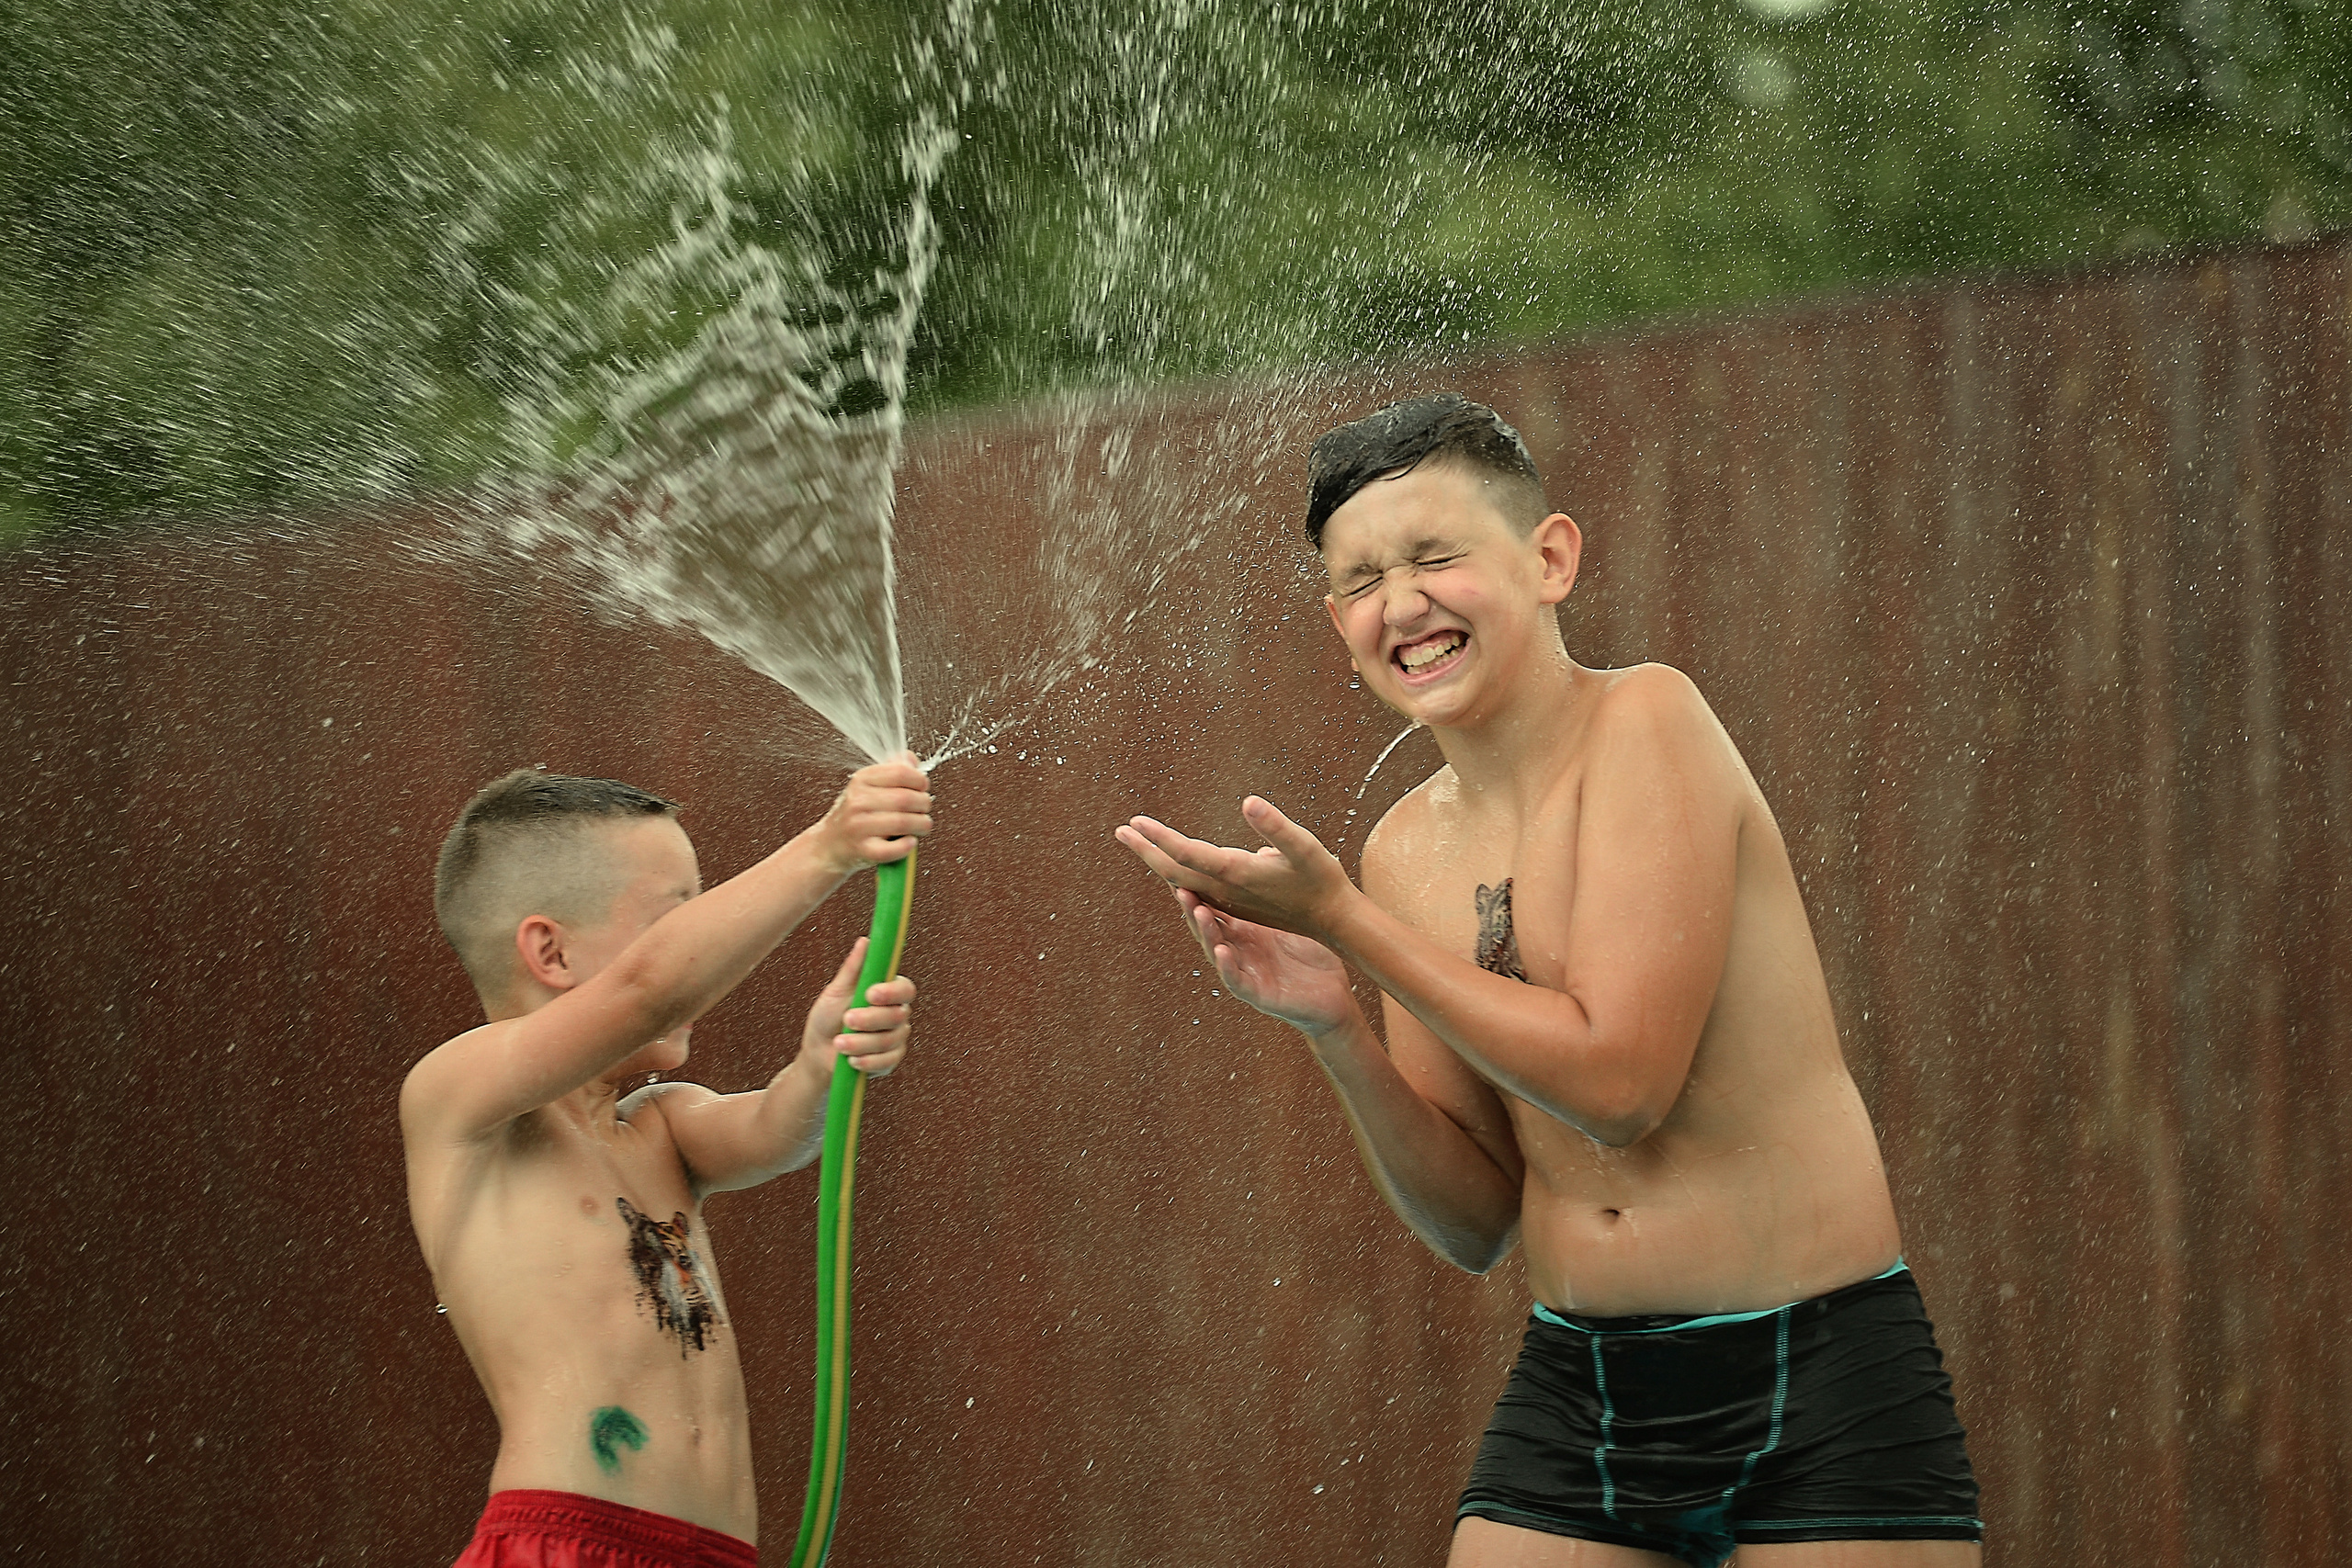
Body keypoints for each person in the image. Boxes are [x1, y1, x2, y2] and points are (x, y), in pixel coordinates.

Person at [1114, 394, 1979, 1568]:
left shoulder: (1648, 723)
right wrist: (1334, 1025)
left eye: (1435, 557)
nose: (1402, 605)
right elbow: (1475, 1218)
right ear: (1338, 623)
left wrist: (1350, 930)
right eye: (1362, 582)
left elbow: (1619, 1084)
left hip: (1816, 1380)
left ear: (1548, 558)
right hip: (1584, 1388)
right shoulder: (1402, 856)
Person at [406, 757, 932, 1568]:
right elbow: (648, 991)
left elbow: (773, 1127)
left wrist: (824, 1065)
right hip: (563, 1540)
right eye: (678, 916)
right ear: (549, 951)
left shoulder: (661, 1127)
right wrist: (829, 847)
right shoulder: (460, 1101)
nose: (704, 943)